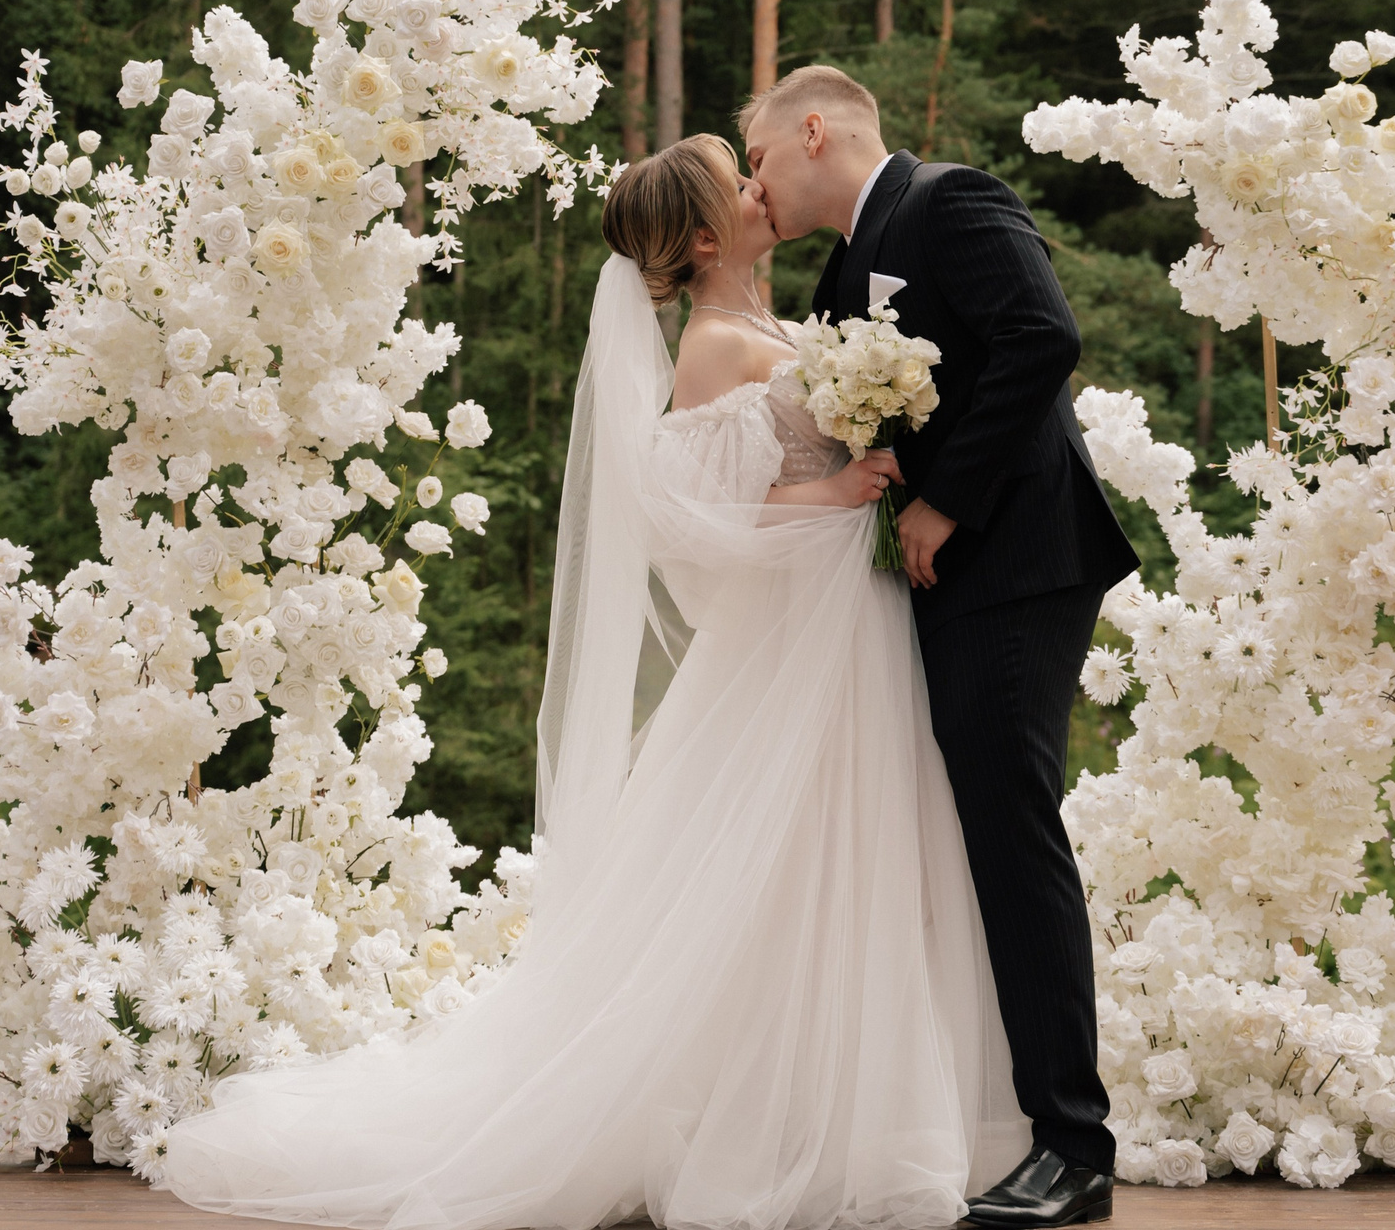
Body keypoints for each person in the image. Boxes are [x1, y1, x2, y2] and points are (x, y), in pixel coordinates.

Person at [161, 132, 1033, 1229]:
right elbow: (692, 520)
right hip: (794, 642)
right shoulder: (715, 344)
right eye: (741, 185)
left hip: (849, 626)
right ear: (710, 236)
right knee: (781, 865)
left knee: (851, 857)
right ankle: (770, 1125)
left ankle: (844, 1108)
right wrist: (842, 490)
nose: (765, 192)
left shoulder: (774, 318)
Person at [742, 67, 1139, 1230]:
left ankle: (1074, 1146)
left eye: (759, 154)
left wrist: (944, 501)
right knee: (967, 843)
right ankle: (998, 1124)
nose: (756, 179)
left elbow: (1041, 336)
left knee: (1013, 837)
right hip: (942, 580)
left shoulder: (951, 202)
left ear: (814, 128)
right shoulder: (840, 263)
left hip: (1016, 564)